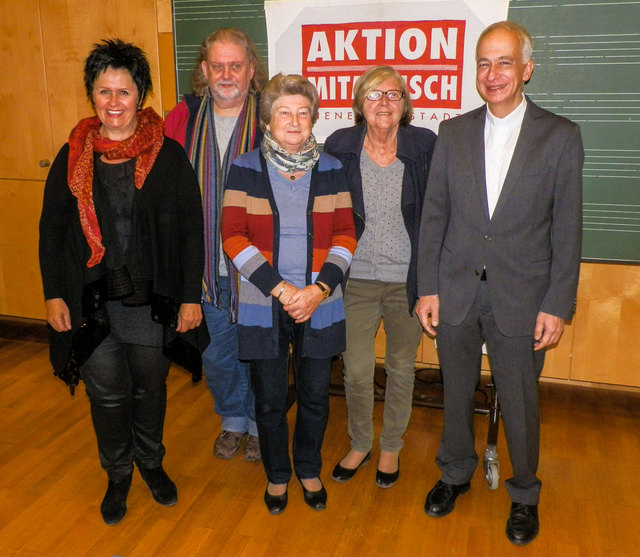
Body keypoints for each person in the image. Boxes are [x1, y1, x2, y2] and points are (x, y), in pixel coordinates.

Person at [416, 21, 583, 545]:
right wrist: (428, 287)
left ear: (527, 69)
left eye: (505, 62)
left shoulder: (560, 136)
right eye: (484, 63)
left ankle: (525, 493)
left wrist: (557, 303)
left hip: (523, 297)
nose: (493, 74)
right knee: (457, 390)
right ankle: (454, 472)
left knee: (520, 400)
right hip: (457, 290)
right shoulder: (454, 132)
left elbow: (567, 228)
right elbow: (434, 215)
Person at [39, 39, 206, 526]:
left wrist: (190, 298)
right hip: (90, 301)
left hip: (150, 301)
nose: (114, 103)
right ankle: (117, 474)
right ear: (92, 95)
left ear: (141, 95)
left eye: (124, 92)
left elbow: (191, 230)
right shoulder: (72, 156)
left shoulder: (169, 156)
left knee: (149, 390)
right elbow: (51, 231)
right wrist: (53, 293)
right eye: (104, 92)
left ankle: (151, 464)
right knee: (107, 394)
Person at [221, 73, 357, 514]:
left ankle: (309, 467)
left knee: (316, 394)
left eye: (302, 112)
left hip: (321, 300)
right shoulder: (244, 167)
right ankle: (278, 475)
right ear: (267, 121)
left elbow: (346, 235)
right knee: (271, 397)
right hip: (265, 302)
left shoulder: (332, 168)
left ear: (314, 117)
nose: (294, 120)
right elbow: (233, 236)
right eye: (284, 112)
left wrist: (317, 290)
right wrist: (282, 290)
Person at [324, 65, 436, 488]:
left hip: (408, 278)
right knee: (354, 369)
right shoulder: (340, 146)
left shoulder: (424, 145)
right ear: (359, 105)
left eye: (392, 94)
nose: (384, 103)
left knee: (402, 367)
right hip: (356, 277)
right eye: (373, 95)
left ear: (405, 104)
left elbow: (438, 212)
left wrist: (432, 282)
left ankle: (391, 446)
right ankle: (360, 441)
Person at [165, 28, 266, 462]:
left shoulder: (273, 115)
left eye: (236, 65)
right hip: (205, 266)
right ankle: (232, 420)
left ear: (251, 69)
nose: (227, 74)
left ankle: (263, 423)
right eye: (218, 65)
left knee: (263, 355)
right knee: (219, 356)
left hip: (263, 268)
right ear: (204, 70)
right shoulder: (180, 119)